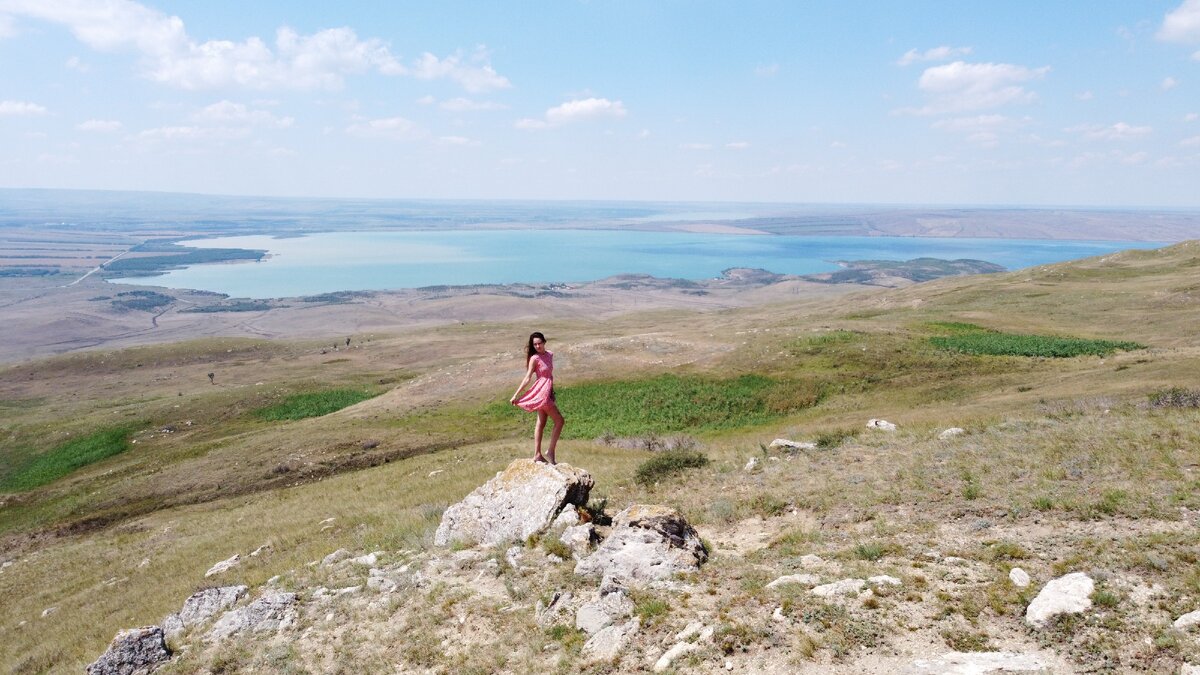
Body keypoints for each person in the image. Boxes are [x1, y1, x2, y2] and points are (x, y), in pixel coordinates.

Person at [510, 331, 565, 464]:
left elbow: (549, 376)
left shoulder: (550, 354)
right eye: (535, 344)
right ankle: (550, 451)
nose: (537, 346)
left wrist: (552, 391)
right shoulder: (534, 359)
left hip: (548, 391)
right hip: (541, 393)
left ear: (544, 342)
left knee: (541, 423)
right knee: (559, 421)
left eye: (539, 343)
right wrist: (516, 394)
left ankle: (537, 454)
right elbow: (528, 377)